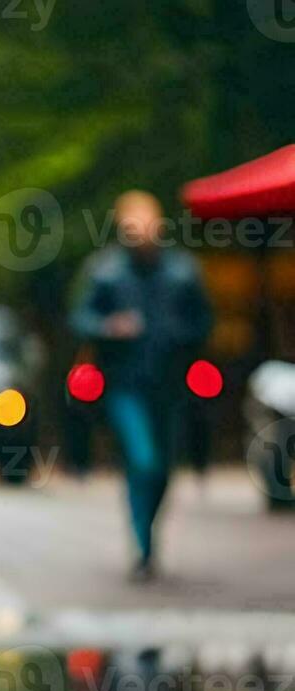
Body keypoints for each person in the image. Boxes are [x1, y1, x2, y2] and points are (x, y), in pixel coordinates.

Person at [69, 190, 213, 581]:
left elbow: (204, 322)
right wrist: (109, 327)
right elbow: (80, 317)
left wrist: (177, 335)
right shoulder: (104, 271)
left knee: (163, 468)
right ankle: (144, 547)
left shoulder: (183, 271)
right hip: (124, 385)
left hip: (170, 385)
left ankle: (149, 536)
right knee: (142, 459)